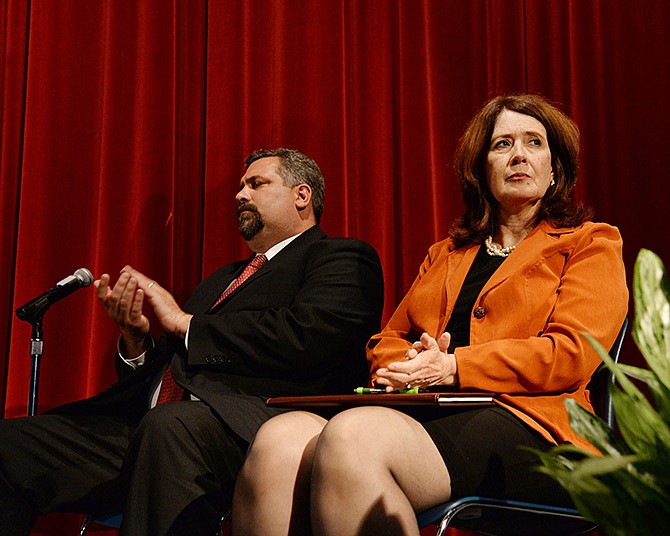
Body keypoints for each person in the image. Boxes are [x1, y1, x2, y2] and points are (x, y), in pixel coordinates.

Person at [231, 95, 628, 536]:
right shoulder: (447, 254)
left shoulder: (590, 243)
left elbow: (571, 353)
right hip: (425, 410)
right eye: (502, 145)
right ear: (481, 169)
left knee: (351, 438)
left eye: (534, 142)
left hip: (536, 427)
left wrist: (453, 366)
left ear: (555, 168)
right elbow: (388, 339)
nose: (518, 154)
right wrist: (409, 367)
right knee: (278, 441)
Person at [0, 148, 384, 536]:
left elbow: (310, 337)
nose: (240, 195)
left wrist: (186, 324)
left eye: (256, 184)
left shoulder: (341, 258)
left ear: (302, 196)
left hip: (252, 431)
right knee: (10, 444)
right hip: (147, 428)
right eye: (240, 186)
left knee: (169, 428)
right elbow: (176, 366)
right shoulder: (221, 280)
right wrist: (135, 341)